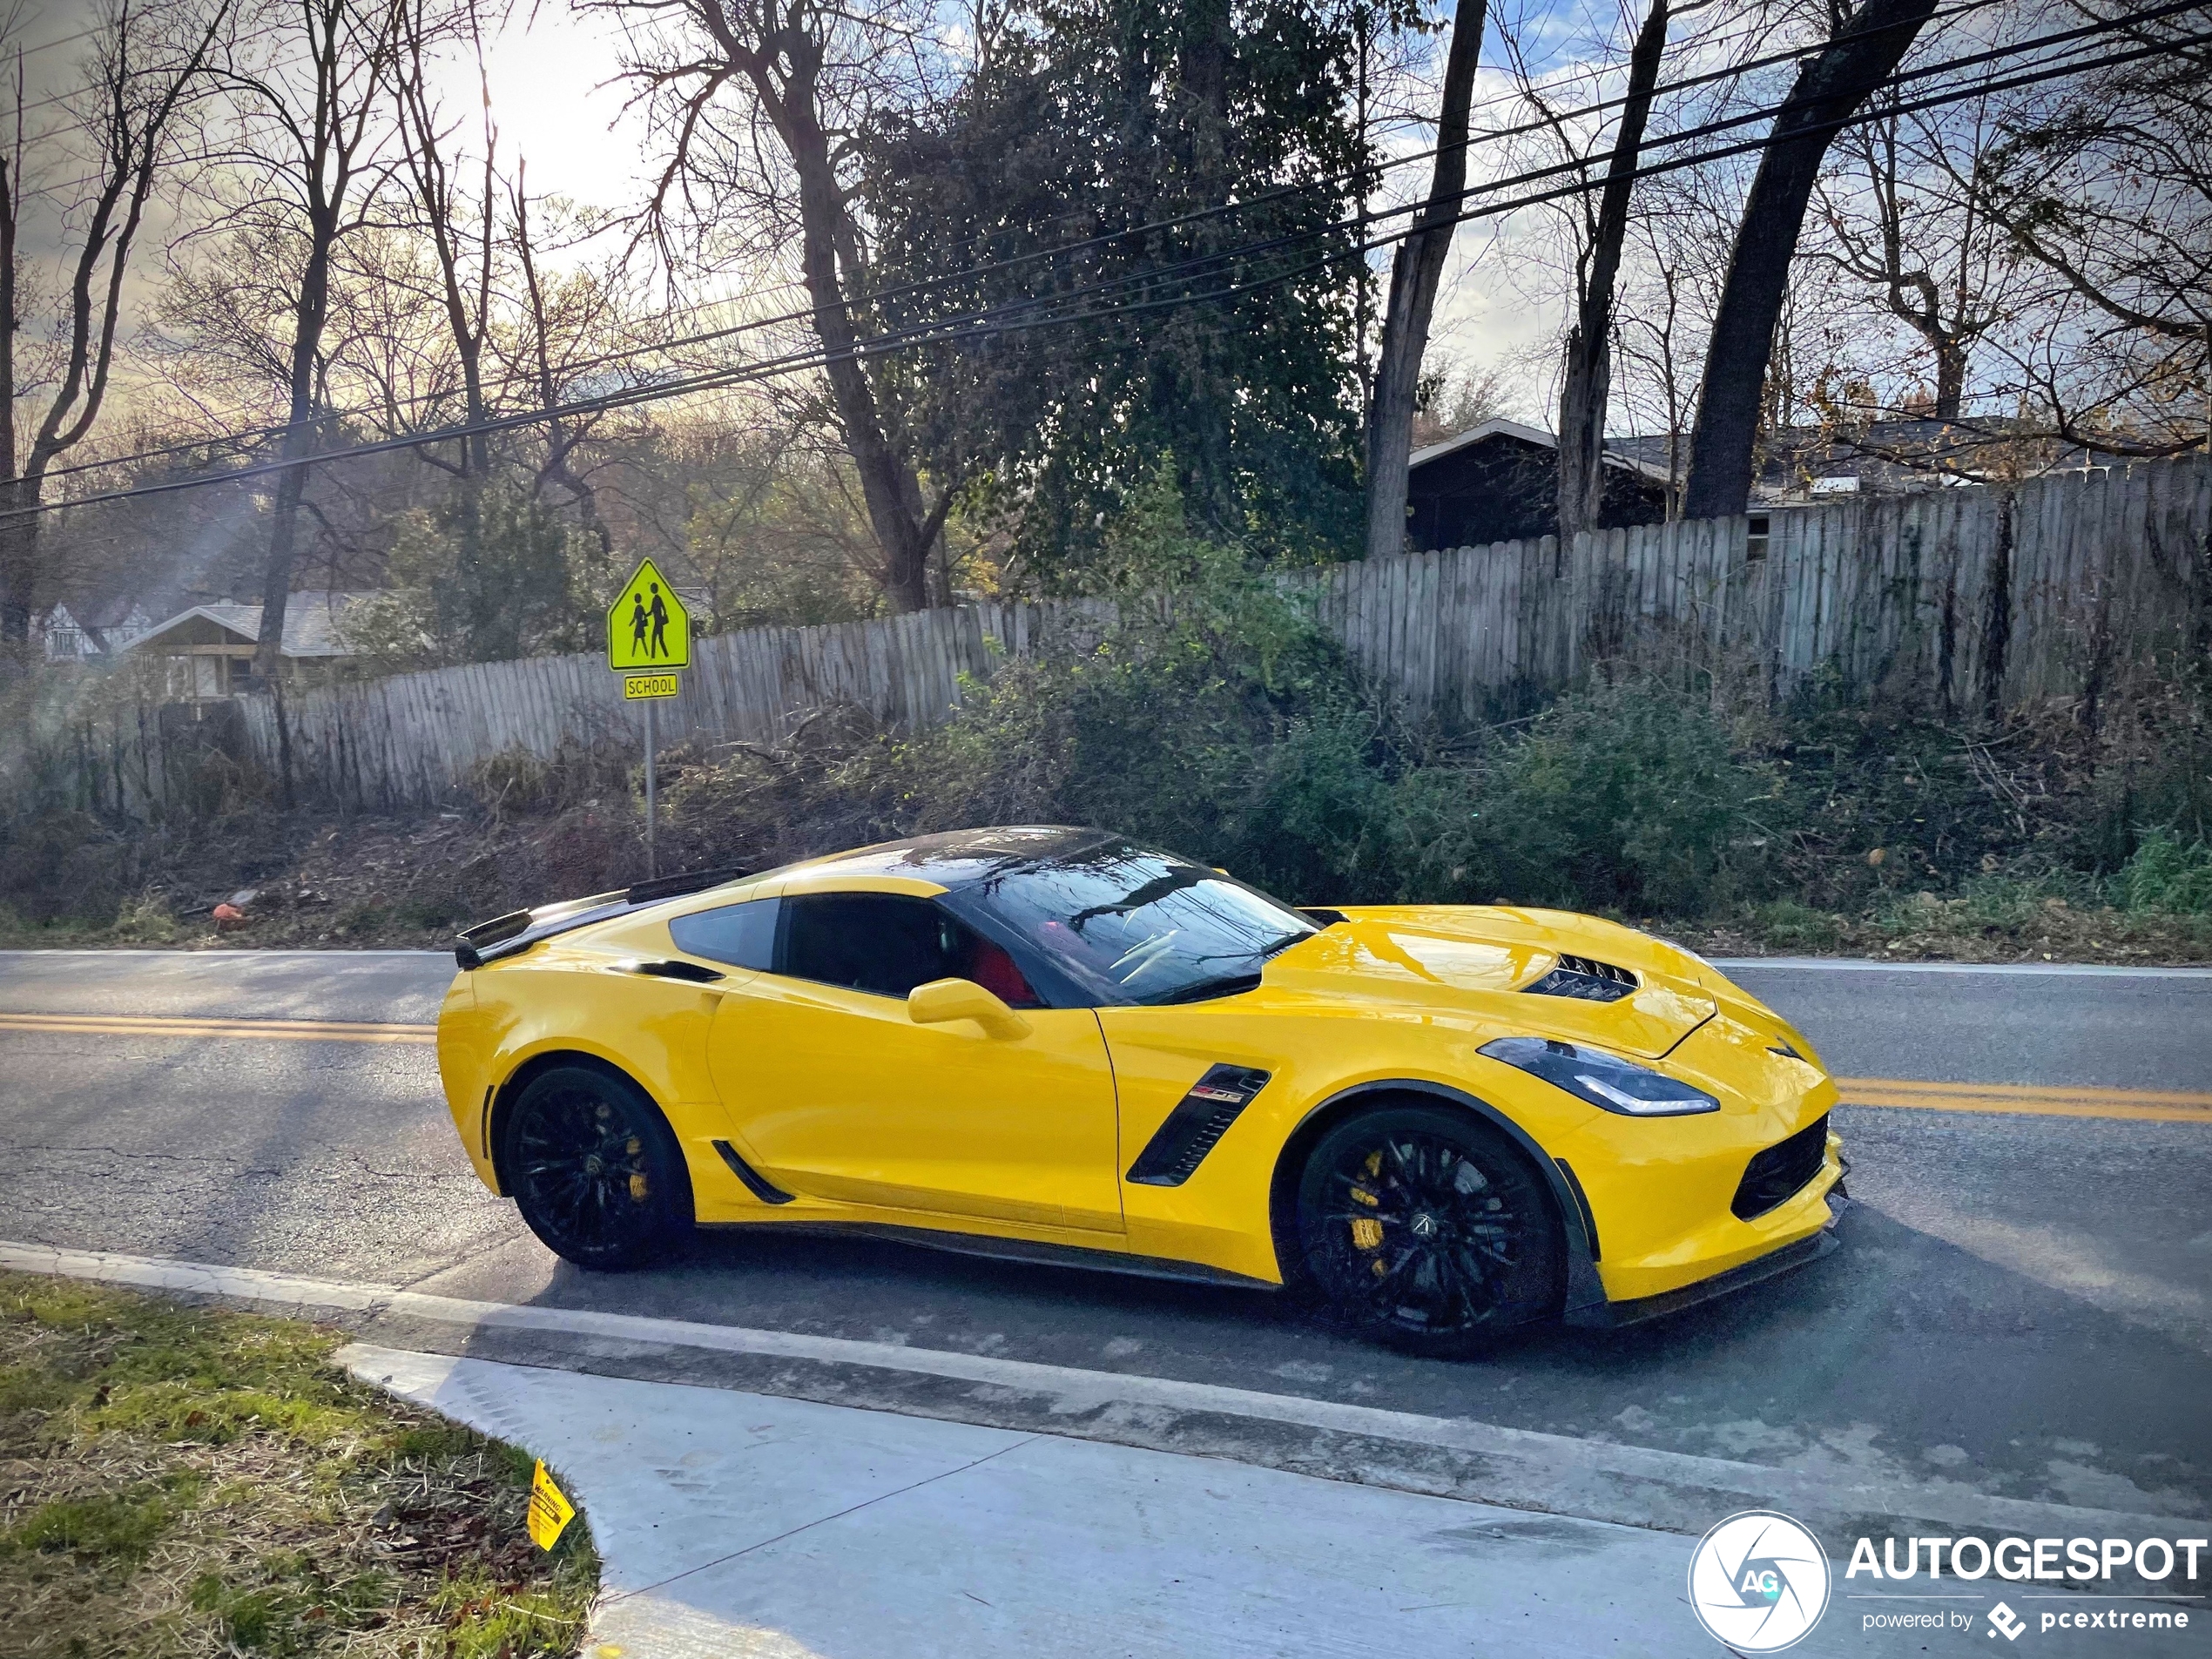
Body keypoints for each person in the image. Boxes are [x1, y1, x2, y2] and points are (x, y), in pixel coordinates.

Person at [648, 583, 670, 658]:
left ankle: (653, 656)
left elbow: (663, 608)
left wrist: (663, 616)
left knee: (655, 638)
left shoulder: (657, 599)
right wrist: (646, 615)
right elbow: (652, 611)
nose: (651, 589)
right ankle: (666, 654)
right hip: (657, 622)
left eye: (652, 588)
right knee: (660, 640)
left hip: (658, 622)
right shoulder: (656, 599)